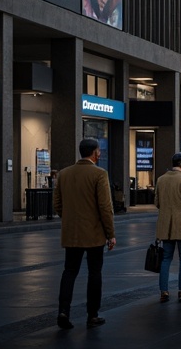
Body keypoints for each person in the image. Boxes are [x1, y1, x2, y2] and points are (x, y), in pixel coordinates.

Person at [53, 138, 116, 329]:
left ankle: (63, 311)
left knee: (69, 272)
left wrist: (69, 219)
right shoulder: (99, 174)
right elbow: (105, 207)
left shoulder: (64, 174)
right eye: (99, 151)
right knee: (94, 273)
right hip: (94, 233)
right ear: (95, 153)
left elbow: (57, 203)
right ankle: (92, 315)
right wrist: (110, 233)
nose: (100, 154)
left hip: (71, 233)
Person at [155, 152, 181, 303]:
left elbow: (157, 202)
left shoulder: (161, 179)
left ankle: (163, 291)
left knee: (166, 258)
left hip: (165, 225)